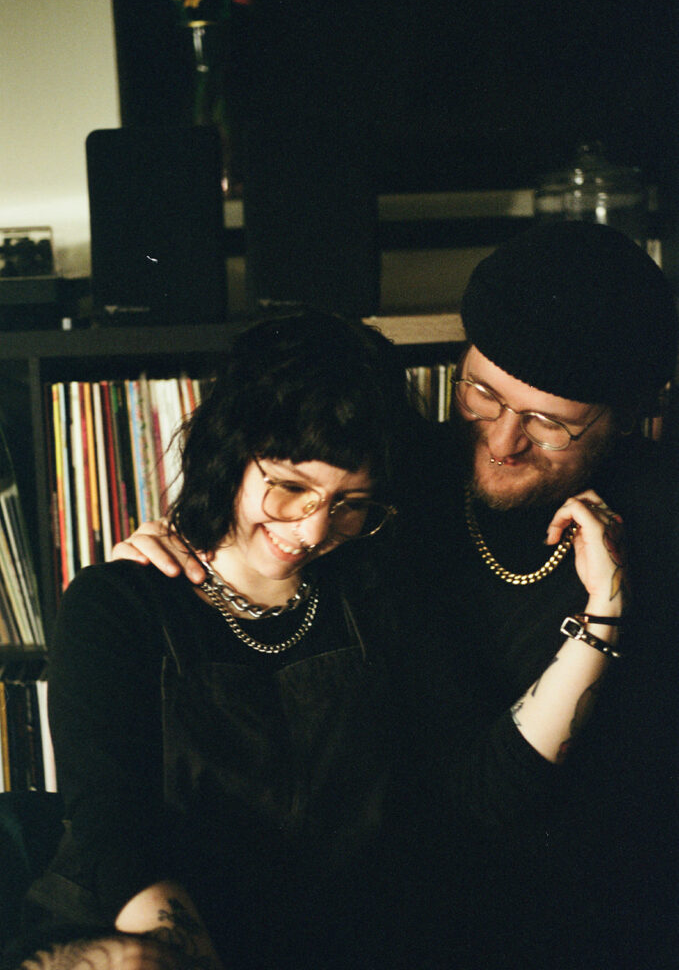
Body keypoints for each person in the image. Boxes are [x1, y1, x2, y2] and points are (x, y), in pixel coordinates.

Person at [109, 223, 679, 969]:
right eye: (481, 392)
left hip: (595, 911)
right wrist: (172, 561)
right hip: (386, 903)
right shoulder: (390, 479)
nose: (502, 441)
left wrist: (609, 606)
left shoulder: (662, 521)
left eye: (550, 424)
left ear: (626, 417)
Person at [10, 305, 625, 970]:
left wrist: (603, 612)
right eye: (290, 488)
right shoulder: (118, 603)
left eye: (349, 504)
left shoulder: (377, 594)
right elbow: (114, 832)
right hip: (143, 935)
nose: (310, 531)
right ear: (229, 452)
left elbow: (480, 789)